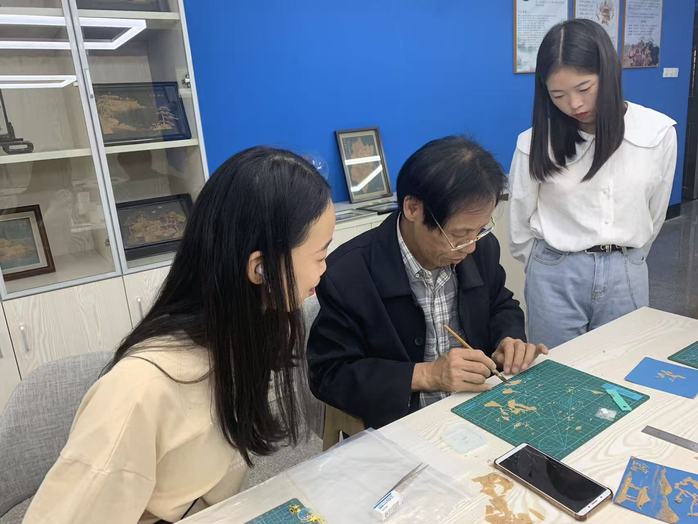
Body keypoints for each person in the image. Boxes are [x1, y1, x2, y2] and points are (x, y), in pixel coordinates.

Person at [23, 147, 335, 524]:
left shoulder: (245, 338)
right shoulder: (138, 392)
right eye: (320, 256)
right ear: (260, 268)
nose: (325, 270)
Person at [307, 136, 547, 430]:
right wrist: (427, 375)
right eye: (458, 235)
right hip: (403, 421)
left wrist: (507, 340)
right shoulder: (349, 273)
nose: (471, 246)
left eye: (480, 230)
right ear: (413, 208)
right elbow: (329, 374)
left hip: (480, 405)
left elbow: (500, 304)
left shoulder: (482, 248)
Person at [508, 19, 677, 349]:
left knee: (622, 365)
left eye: (584, 88)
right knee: (556, 371)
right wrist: (546, 267)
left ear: (608, 73)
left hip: (625, 271)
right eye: (558, 95)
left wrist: (628, 259)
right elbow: (519, 223)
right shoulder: (534, 143)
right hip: (555, 273)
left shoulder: (656, 133)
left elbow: (654, 214)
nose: (574, 104)